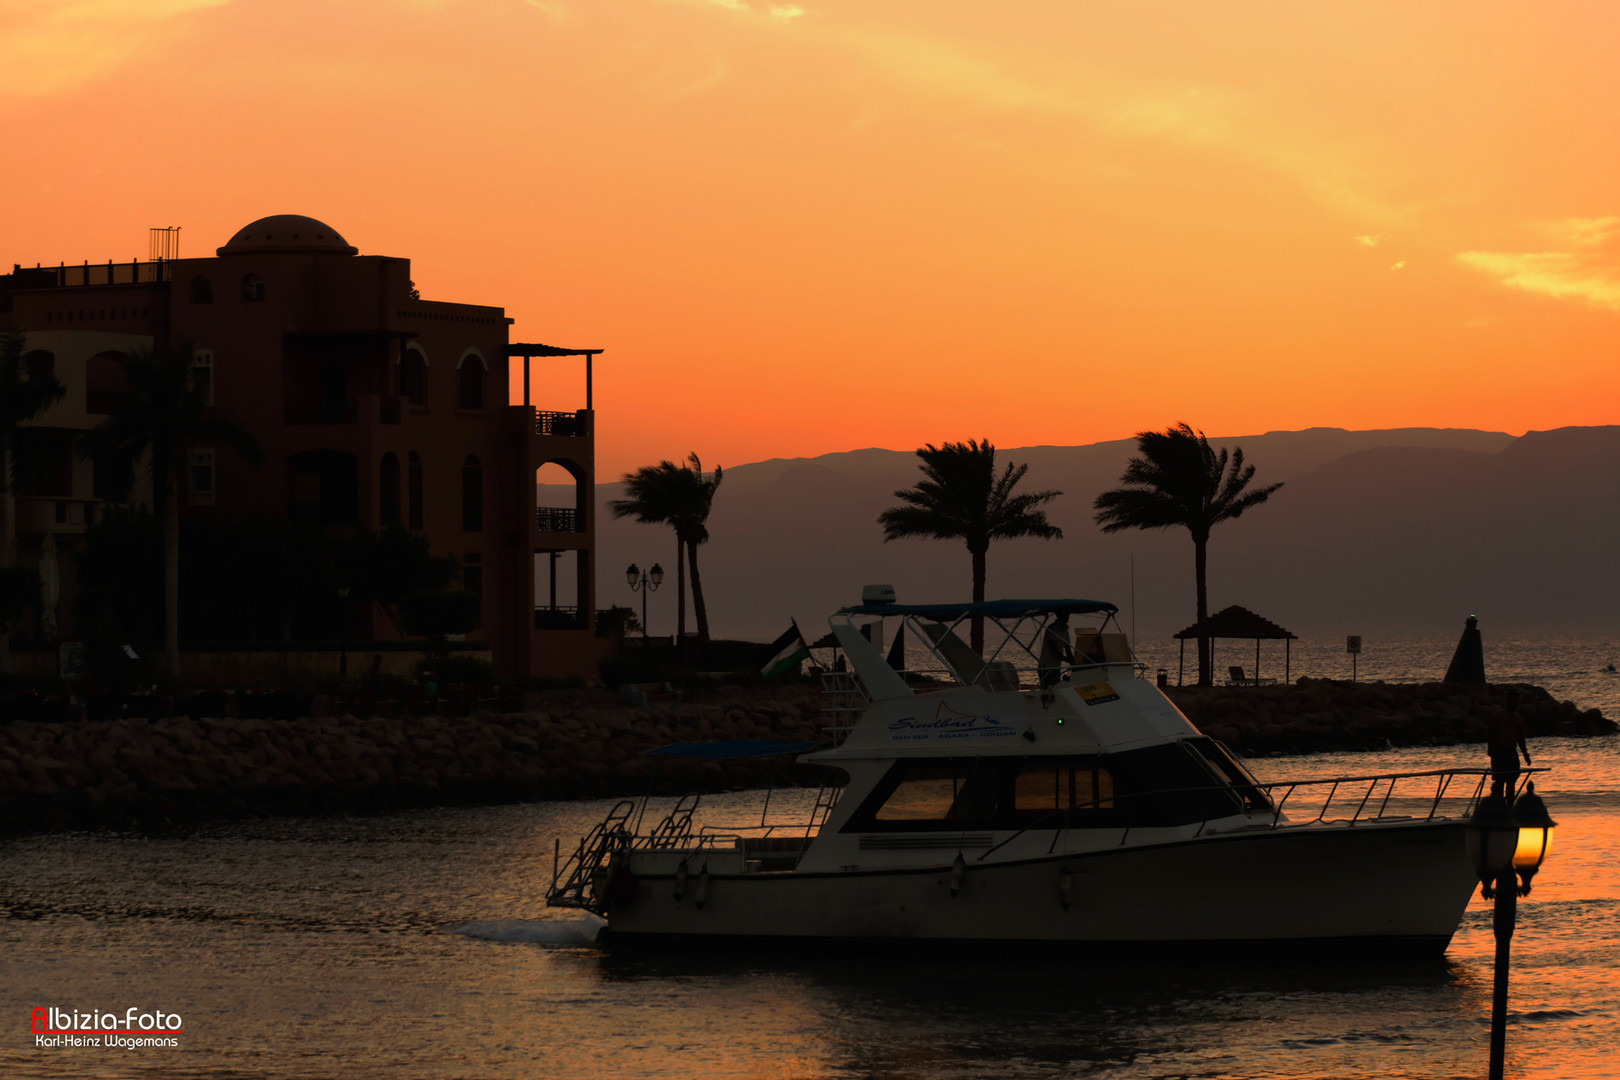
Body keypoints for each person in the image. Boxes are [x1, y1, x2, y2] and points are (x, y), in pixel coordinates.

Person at [1487, 689, 1531, 799]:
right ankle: (1499, 807)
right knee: (1500, 782)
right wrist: (1491, 750)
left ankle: (1509, 809)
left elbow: (1521, 738)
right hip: (1499, 753)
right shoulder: (1499, 716)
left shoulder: (1518, 718)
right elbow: (1491, 733)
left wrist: (1525, 755)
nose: (1514, 704)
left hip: (1512, 753)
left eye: (1516, 701)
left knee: (1511, 782)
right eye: (1512, 701)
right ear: (1507, 701)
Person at [1038, 611, 1073, 689]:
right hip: (1046, 667)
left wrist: (1074, 663)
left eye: (1067, 614)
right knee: (1048, 690)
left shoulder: (1065, 631)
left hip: (1056, 667)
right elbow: (1053, 651)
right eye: (1064, 614)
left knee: (1056, 688)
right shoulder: (1052, 629)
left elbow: (1068, 649)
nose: (1067, 616)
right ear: (1058, 615)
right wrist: (1068, 660)